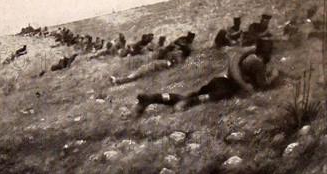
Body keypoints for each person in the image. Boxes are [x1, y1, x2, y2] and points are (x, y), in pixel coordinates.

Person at [132, 38, 279, 117]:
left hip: (219, 79)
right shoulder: (257, 63)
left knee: (187, 96)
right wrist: (274, 76)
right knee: (201, 98)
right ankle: (184, 104)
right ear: (267, 53)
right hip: (226, 85)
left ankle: (153, 98)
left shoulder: (249, 57)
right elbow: (263, 85)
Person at [110, 32, 194, 85]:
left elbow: (179, 57)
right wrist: (170, 46)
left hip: (169, 61)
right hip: (165, 56)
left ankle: (121, 80)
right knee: (147, 60)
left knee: (149, 66)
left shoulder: (186, 47)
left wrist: (172, 47)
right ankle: (123, 78)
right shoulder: (182, 42)